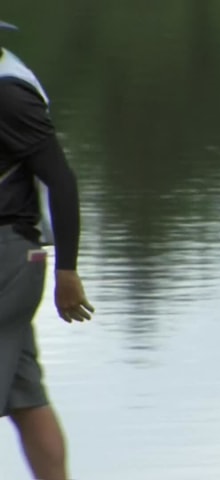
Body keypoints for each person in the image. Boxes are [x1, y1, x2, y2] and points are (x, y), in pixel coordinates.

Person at [1, 19, 94, 480]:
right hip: (16, 260)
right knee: (26, 396)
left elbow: (61, 179)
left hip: (7, 257)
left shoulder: (7, 94)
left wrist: (68, 270)